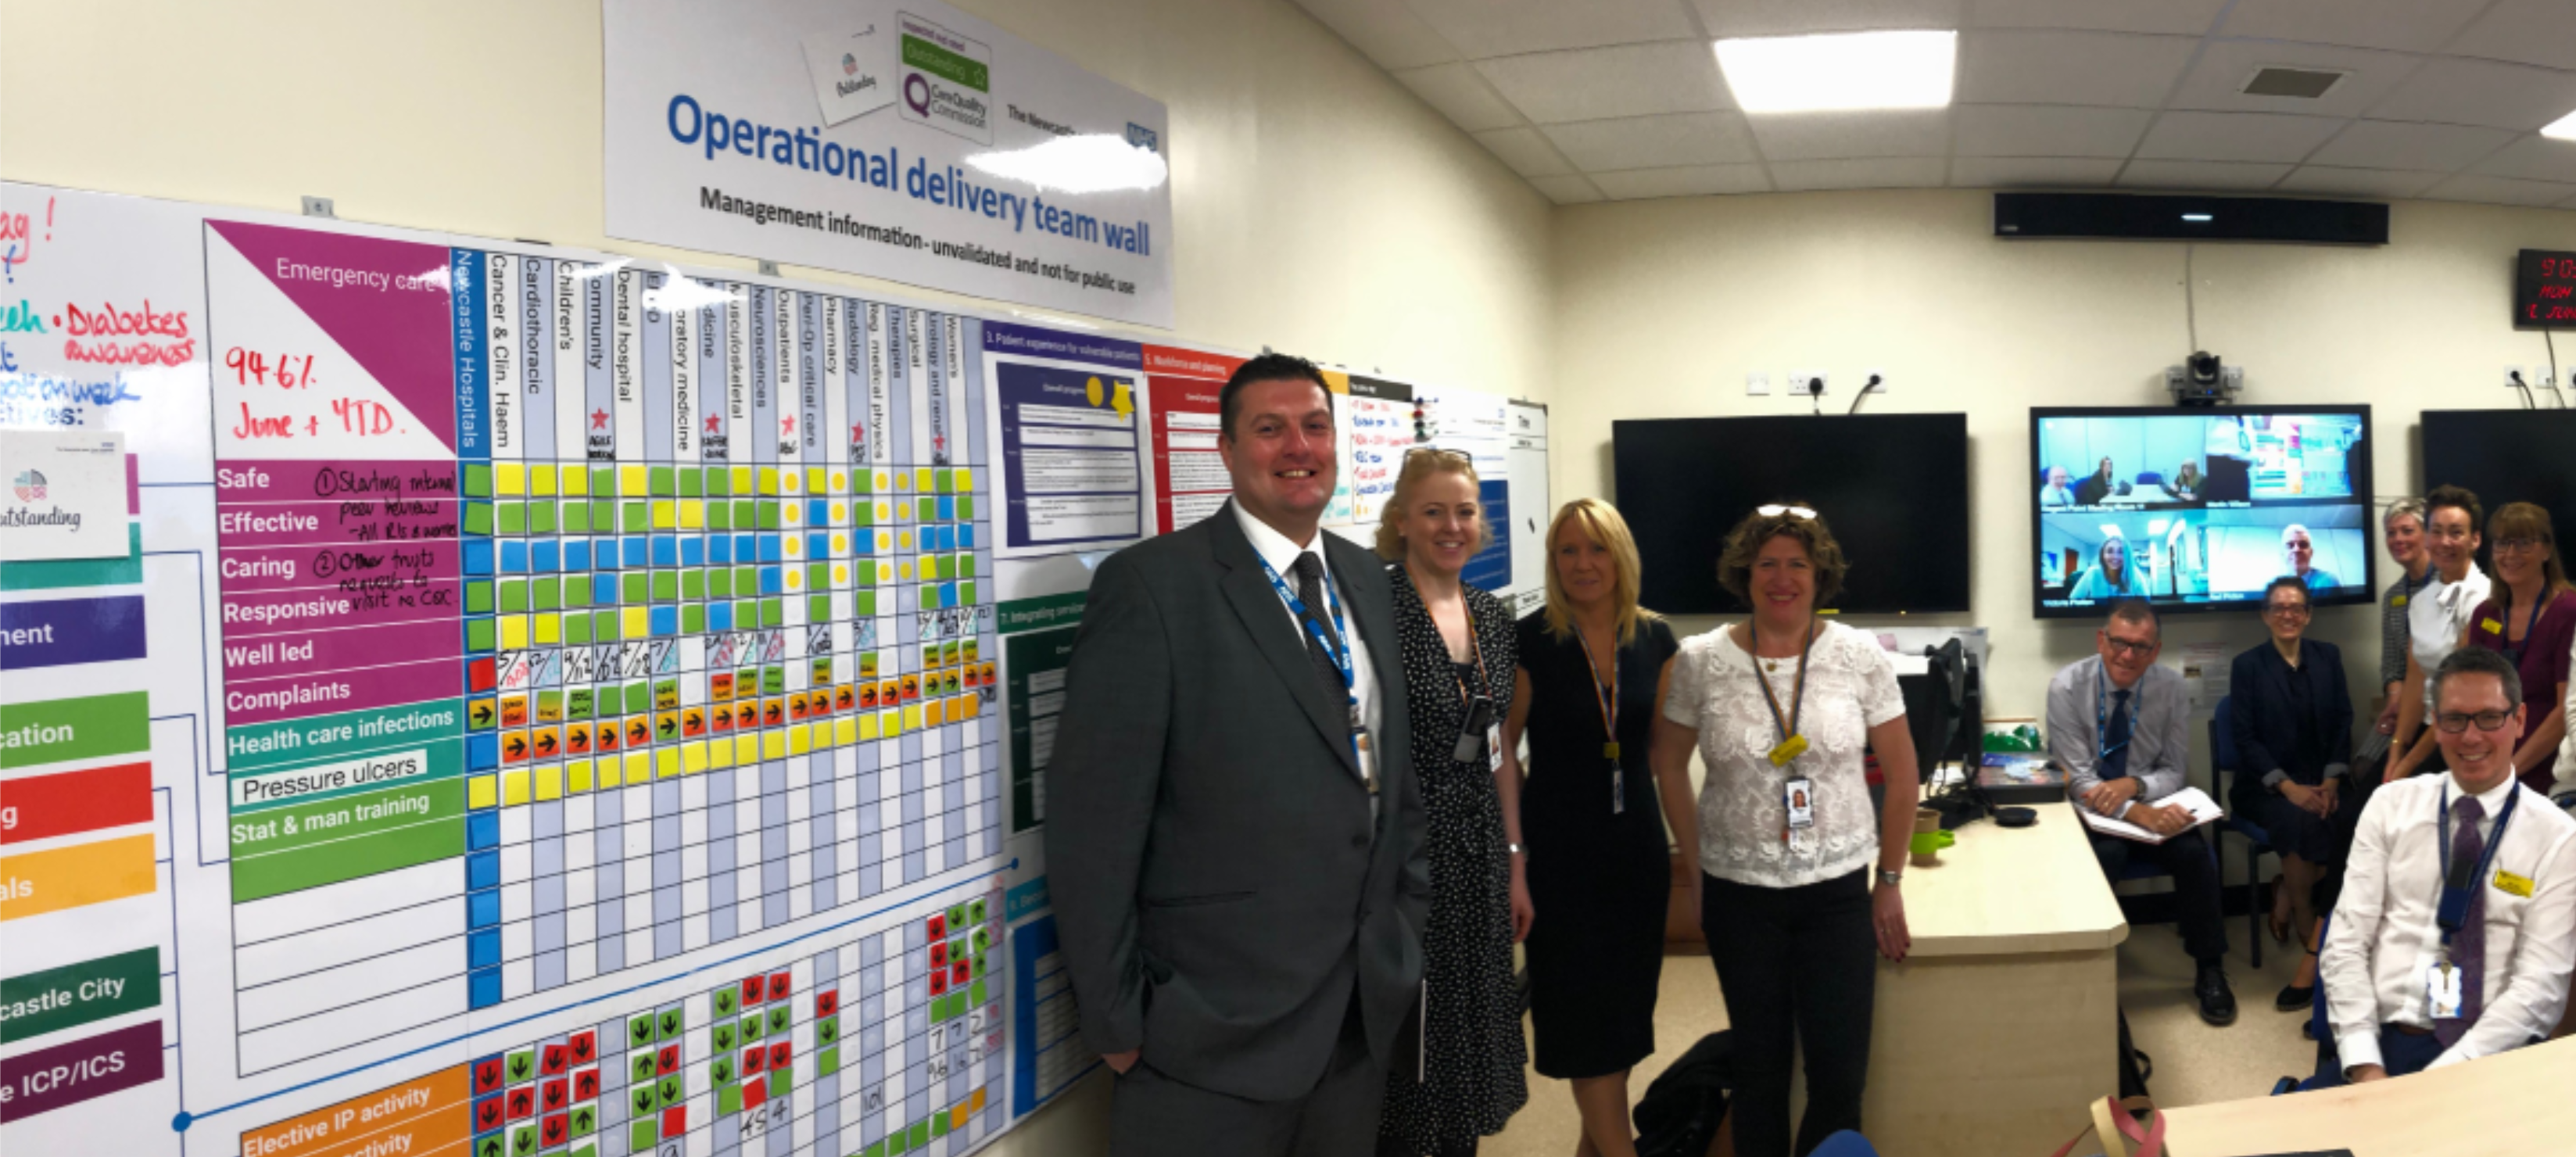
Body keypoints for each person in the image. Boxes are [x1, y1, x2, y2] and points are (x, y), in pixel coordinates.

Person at [1045, 353, 1425, 1157]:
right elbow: (1093, 829)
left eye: (1314, 426)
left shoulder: (1366, 576)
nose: (1298, 446)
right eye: (1269, 428)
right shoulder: (1153, 587)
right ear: (1225, 449)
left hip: (1357, 1015)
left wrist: (1404, 934)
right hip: (1206, 1035)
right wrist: (1116, 1021)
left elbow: (1394, 784)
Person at [1650, 503, 1919, 1157]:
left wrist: (1888, 881)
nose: (1781, 578)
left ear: (1818, 575)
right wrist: (1694, 868)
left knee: (1838, 1074)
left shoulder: (1858, 656)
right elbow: (1667, 763)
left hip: (1836, 892)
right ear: (1744, 574)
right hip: (1738, 894)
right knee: (1759, 1071)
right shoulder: (1699, 660)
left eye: (1796, 564)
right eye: (1766, 564)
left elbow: (1903, 773)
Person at [1506, 499, 1682, 1157]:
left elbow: (1664, 756)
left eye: (1596, 548)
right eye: (1567, 551)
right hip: (1559, 857)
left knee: (1624, 1022)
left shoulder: (1656, 639)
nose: (1583, 563)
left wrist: (1694, 854)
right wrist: (1515, 853)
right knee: (1584, 1023)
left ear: (1620, 556)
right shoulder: (1528, 640)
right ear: (1552, 562)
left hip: (1635, 852)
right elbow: (1502, 754)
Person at [2316, 647, 2576, 1084]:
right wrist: (2363, 1060)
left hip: (2487, 1054)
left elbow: (2541, 986)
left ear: (2519, 720)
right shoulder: (2390, 806)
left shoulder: (2558, 838)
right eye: (2454, 719)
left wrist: (2443, 1079)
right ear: (2435, 724)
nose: (2470, 737)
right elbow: (2345, 942)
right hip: (2381, 1040)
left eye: (2489, 718)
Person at [1372, 448, 1527, 1156]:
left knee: (1469, 1043)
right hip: (1403, 862)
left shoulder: (1491, 616)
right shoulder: (1375, 611)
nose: (1450, 526)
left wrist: (1514, 859)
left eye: (1463, 512)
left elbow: (1497, 747)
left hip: (1479, 857)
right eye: (1432, 511)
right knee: (1413, 1043)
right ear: (1402, 520)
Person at [2048, 600, 2237, 1025]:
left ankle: (2210, 968)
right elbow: (2078, 779)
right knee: (2107, 855)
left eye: (2140, 647)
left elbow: (2173, 769)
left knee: (2194, 854)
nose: (2127, 655)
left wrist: (2135, 788)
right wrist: (2138, 813)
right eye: (2119, 643)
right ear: (2102, 640)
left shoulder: (2171, 688)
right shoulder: (2066, 687)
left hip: (2149, 799)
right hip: (2091, 809)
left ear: (2155, 651)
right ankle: (2085, 972)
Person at [2229, 576, 2353, 1012]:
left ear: (2308, 614)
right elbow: (2244, 739)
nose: (2288, 615)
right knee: (2300, 821)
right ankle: (2305, 925)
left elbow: (2343, 720)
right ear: (2265, 615)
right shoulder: (2248, 665)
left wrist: (2332, 780)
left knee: (2356, 821)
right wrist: (2287, 787)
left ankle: (2285, 893)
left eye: (2296, 607)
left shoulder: (2328, 656)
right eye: (2278, 607)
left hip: (2323, 780)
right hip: (2263, 786)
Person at [2464, 502, 2576, 797]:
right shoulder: (2485, 615)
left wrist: (2509, 771)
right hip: (2490, 756)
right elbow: (2472, 695)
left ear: (2547, 550)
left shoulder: (2568, 612)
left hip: (2550, 768)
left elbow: (2566, 710)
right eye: (2502, 543)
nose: (2510, 554)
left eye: (2524, 543)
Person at [2389, 486, 2493, 783]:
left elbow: (2459, 693)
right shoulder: (2422, 600)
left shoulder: (2484, 601)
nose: (2445, 542)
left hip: (2462, 730)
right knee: (2368, 798)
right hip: (2426, 726)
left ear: (2475, 540)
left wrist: (2407, 765)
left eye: (2456, 533)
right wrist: (2397, 749)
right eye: (2436, 532)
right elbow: (2415, 678)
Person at [2371, 499, 2434, 757]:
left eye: (2407, 531)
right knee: (2363, 766)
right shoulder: (2394, 596)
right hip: (2404, 704)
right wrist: (2395, 699)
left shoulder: (2450, 585)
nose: (2398, 539)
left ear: (2428, 535)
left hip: (2441, 707)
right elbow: (2392, 663)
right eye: (2391, 533)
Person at [2066, 532, 2142, 600]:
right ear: (2103, 555)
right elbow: (2073, 601)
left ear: (2127, 555)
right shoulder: (2093, 573)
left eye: (2121, 552)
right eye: (2110, 551)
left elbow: (2146, 604)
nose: (2115, 556)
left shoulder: (2135, 574)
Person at [2283, 524, 2340, 590]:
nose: (2296, 550)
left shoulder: (2328, 582)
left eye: (2303, 545)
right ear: (2283, 554)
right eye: (2290, 545)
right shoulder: (2276, 586)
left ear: (2311, 553)